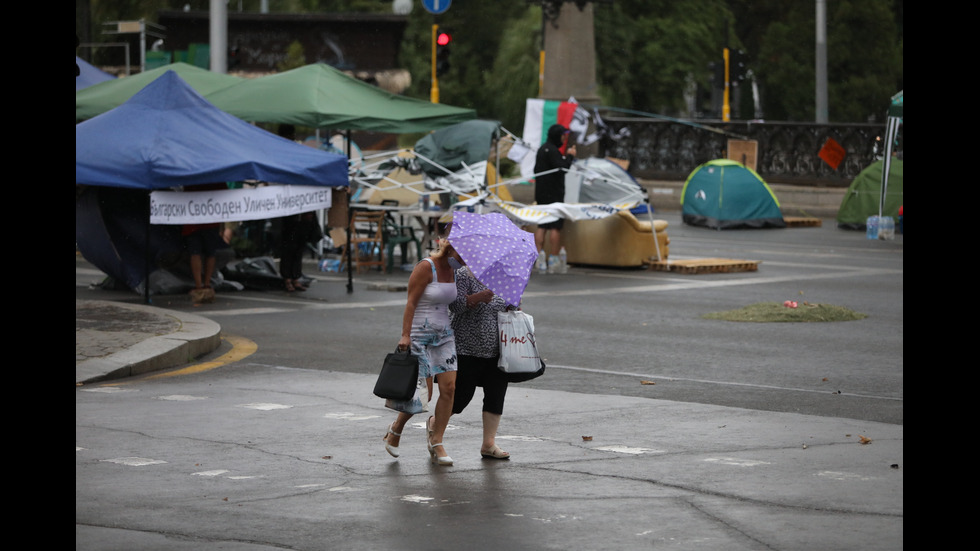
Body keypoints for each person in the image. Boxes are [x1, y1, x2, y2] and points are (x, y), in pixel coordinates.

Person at [382, 239, 465, 466]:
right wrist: (405, 335)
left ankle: (436, 441)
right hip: (419, 336)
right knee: (423, 394)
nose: (464, 261)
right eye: (462, 255)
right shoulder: (426, 267)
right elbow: (411, 303)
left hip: (445, 336)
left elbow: (454, 304)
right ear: (451, 248)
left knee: (449, 388)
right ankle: (395, 430)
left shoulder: (456, 272)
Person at [448, 266, 513, 460]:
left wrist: (514, 305)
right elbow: (455, 305)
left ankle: (488, 444)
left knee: (496, 394)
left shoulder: (505, 276)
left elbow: (513, 306)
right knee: (461, 397)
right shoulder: (463, 274)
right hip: (467, 347)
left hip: (498, 348)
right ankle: (435, 425)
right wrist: (478, 297)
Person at [533, 124, 576, 274]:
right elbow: (562, 168)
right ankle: (554, 258)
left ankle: (539, 258)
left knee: (542, 225)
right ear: (557, 136)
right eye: (563, 136)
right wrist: (570, 155)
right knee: (555, 226)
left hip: (541, 193)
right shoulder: (553, 151)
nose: (564, 139)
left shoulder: (542, 149)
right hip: (554, 195)